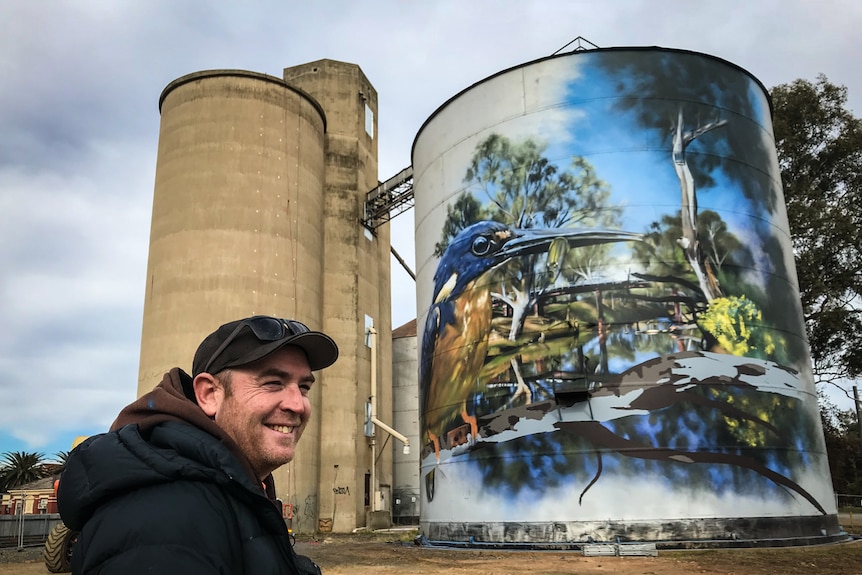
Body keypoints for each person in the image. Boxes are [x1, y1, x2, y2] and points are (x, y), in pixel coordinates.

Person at [58, 315, 338, 574]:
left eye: (304, 388)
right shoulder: (164, 521)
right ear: (209, 394)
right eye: (273, 382)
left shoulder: (230, 489)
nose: (297, 404)